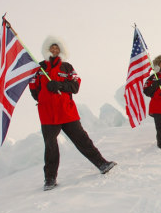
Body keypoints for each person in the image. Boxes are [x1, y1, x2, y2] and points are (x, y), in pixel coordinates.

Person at [29, 36, 116, 191]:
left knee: (82, 139)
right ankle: (50, 179)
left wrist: (60, 85)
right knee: (50, 146)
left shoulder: (67, 67)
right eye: (52, 48)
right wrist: (43, 97)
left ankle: (102, 163)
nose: (54, 50)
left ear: (61, 50)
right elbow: (33, 88)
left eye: (57, 48)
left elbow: (75, 86)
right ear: (47, 50)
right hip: (48, 114)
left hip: (66, 111)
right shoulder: (40, 68)